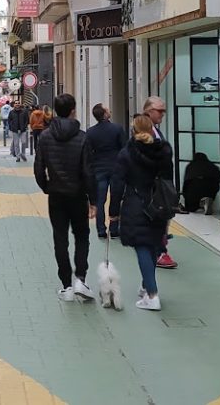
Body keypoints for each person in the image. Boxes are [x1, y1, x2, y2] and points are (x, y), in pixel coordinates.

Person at [34, 94, 98, 302]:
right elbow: (88, 171)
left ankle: (66, 285)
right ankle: (81, 277)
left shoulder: (44, 136)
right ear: (73, 110)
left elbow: (38, 168)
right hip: (77, 194)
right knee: (82, 236)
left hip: (56, 195)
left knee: (59, 238)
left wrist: (47, 187)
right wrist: (94, 199)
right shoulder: (82, 137)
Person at [111, 115, 174, 311]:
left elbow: (117, 184)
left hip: (135, 203)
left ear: (134, 131)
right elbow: (168, 179)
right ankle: (147, 286)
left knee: (141, 246)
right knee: (154, 244)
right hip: (159, 204)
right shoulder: (164, 151)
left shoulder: (127, 154)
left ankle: (152, 294)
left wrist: (113, 211)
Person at [142, 96, 178, 270]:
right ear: (149, 111)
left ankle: (159, 248)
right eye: (160, 111)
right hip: (154, 185)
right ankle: (158, 251)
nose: (163, 114)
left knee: (162, 217)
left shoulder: (154, 130)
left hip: (160, 183)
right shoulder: (145, 132)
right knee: (158, 217)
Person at [85, 104, 128, 240]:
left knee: (99, 201)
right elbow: (125, 148)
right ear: (104, 114)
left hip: (99, 169)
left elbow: (88, 153)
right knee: (116, 198)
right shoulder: (117, 129)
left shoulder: (90, 132)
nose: (110, 110)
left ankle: (101, 230)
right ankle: (114, 229)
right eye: (107, 109)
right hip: (116, 168)